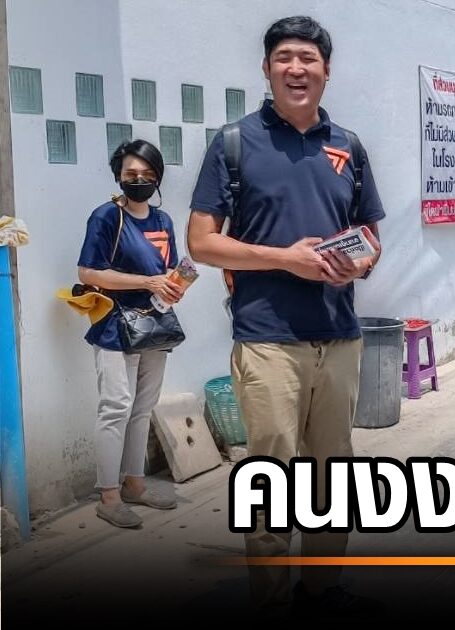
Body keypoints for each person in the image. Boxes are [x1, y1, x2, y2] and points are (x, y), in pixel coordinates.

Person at [187, 16, 385, 617]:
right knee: (272, 478)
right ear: (267, 69)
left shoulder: (348, 146)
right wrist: (284, 259)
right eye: (284, 58)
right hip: (268, 339)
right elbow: (201, 242)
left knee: (332, 477)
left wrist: (359, 265)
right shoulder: (235, 143)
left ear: (327, 70)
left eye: (308, 58)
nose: (296, 69)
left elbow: (370, 236)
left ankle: (321, 589)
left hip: (339, 336)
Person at [77, 140, 183, 529]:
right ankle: (109, 496)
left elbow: (169, 269)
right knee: (116, 407)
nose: (139, 180)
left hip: (155, 325)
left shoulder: (163, 221)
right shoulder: (106, 217)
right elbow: (88, 272)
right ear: (119, 177)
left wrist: (174, 284)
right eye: (130, 174)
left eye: (147, 174)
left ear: (158, 178)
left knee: (142, 408)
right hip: (114, 325)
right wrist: (146, 281)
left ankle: (135, 484)